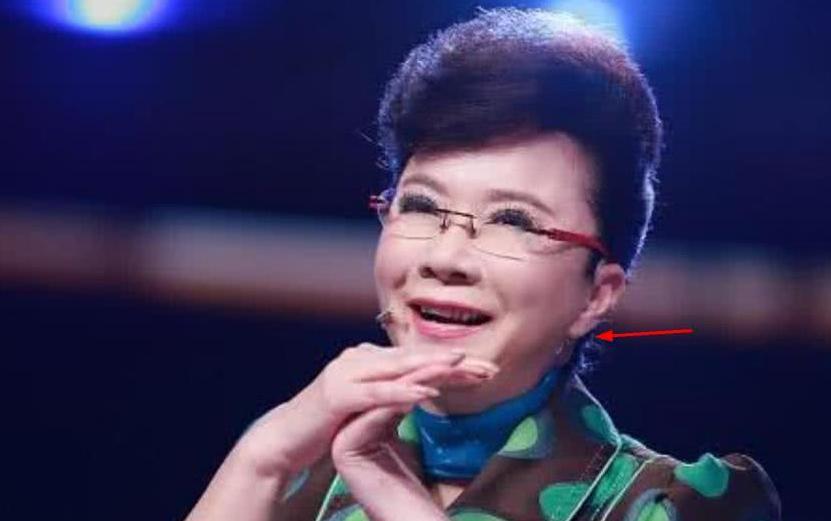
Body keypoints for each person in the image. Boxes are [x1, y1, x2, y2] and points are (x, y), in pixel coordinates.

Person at [185, 8, 781, 521]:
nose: (445, 259)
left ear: (597, 294)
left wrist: (398, 501)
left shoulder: (668, 506)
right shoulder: (292, 473)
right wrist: (260, 459)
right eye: (422, 206)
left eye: (514, 220)